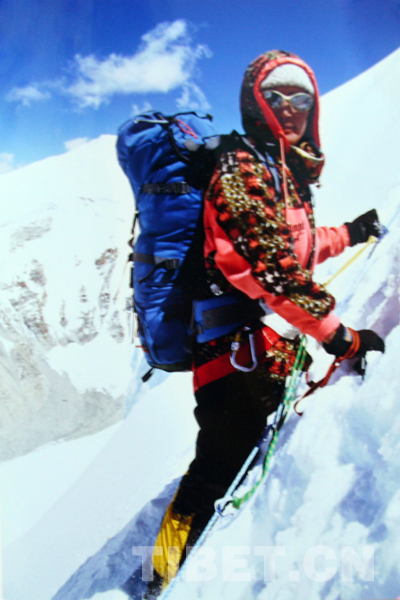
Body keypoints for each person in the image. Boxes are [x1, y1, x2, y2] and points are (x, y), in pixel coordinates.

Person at [142, 49, 385, 598]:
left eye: (302, 97)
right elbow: (269, 268)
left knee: (241, 453)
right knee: (216, 467)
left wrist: (349, 233)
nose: (291, 107)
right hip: (229, 351)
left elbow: (295, 246)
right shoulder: (242, 168)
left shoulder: (281, 171)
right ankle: (160, 576)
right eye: (277, 95)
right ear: (257, 103)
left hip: (265, 343)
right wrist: (341, 338)